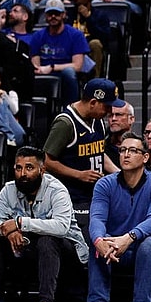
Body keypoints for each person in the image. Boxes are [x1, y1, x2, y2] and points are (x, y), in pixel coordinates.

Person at [0, 146, 88, 302]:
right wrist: (8, 231)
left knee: (47, 239)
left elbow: (61, 226)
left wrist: (19, 223)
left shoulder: (56, 190)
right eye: (18, 168)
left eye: (29, 168)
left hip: (68, 254)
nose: (23, 174)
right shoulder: (9, 190)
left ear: (41, 170)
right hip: (28, 252)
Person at [85, 132, 151, 302]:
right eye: (122, 150)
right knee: (98, 244)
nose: (125, 155)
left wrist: (129, 237)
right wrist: (99, 240)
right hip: (116, 249)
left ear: (145, 157)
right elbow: (96, 219)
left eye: (133, 150)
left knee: (149, 243)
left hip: (150, 249)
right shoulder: (105, 184)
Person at [43, 78, 122, 241]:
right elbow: (47, 161)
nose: (109, 112)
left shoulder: (98, 121)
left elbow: (98, 152)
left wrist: (117, 172)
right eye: (106, 106)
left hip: (96, 195)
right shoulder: (65, 123)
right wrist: (79, 175)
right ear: (93, 102)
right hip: (72, 198)